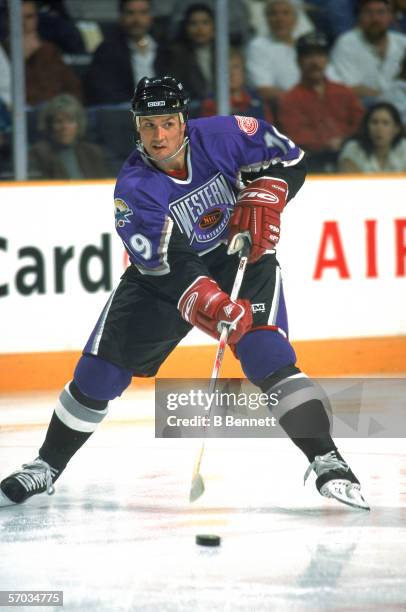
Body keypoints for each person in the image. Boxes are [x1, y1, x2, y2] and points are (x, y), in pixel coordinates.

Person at [0, 75, 369, 511]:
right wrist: (209, 301)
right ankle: (46, 466)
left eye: (168, 123)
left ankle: (328, 459)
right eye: (149, 124)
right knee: (99, 376)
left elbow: (292, 159)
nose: (159, 135)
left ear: (184, 121)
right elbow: (165, 265)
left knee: (267, 355)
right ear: (136, 127)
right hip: (166, 278)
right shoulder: (135, 190)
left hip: (239, 255)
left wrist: (270, 191)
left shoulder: (227, 134)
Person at [278, 32, 364, 172]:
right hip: (312, 162)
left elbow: (361, 124)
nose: (315, 62)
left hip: (349, 156)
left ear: (327, 59)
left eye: (320, 55)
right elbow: (293, 134)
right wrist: (326, 142)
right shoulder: (289, 99)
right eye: (309, 56)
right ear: (299, 61)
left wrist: (344, 140)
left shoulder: (344, 92)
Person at [327, 0, 406, 103]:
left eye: (381, 12)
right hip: (361, 108)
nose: (375, 18)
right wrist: (388, 96)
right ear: (359, 16)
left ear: (391, 17)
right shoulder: (346, 43)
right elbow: (347, 89)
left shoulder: (402, 43)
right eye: (368, 12)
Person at [85, 0, 161, 106]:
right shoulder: (107, 51)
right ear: (121, 17)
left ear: (151, 17)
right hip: (127, 113)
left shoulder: (165, 48)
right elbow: (104, 92)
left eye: (143, 12)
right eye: (130, 13)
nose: (137, 19)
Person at [245, 0, 311, 105]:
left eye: (285, 13)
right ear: (266, 19)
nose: (280, 19)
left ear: (295, 19)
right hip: (283, 108)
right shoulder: (258, 46)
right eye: (273, 14)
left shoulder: (306, 45)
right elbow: (264, 89)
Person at [29, 94, 109, 179]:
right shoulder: (38, 154)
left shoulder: (92, 153)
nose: (65, 127)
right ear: (50, 125)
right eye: (59, 121)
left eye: (70, 121)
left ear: (79, 124)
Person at [160, 4, 216, 110]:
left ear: (214, 27)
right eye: (193, 24)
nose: (200, 29)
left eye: (205, 23)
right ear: (185, 28)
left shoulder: (224, 52)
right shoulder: (176, 54)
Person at [200, 47, 273, 122]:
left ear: (244, 71)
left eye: (235, 67)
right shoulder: (211, 104)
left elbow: (269, 130)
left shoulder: (258, 100)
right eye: (225, 69)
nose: (231, 73)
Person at [338, 101, 406, 172]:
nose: (379, 128)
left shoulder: (404, 148)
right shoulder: (353, 149)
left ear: (396, 129)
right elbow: (352, 181)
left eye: (385, 123)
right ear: (367, 127)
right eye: (374, 122)